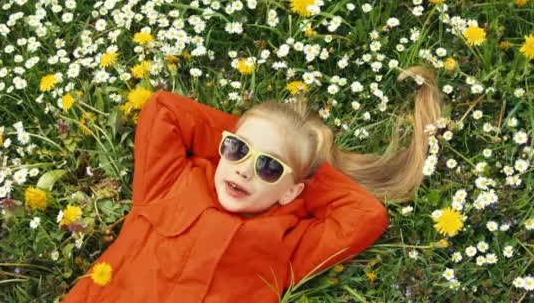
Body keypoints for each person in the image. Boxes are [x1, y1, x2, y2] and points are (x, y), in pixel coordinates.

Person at [61, 65, 444, 302]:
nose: (244, 169)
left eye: (269, 168)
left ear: (294, 190)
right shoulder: (171, 183)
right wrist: (255, 134)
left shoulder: (291, 244)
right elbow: (164, 109)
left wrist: (310, 162)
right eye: (237, 148)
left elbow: (366, 214)